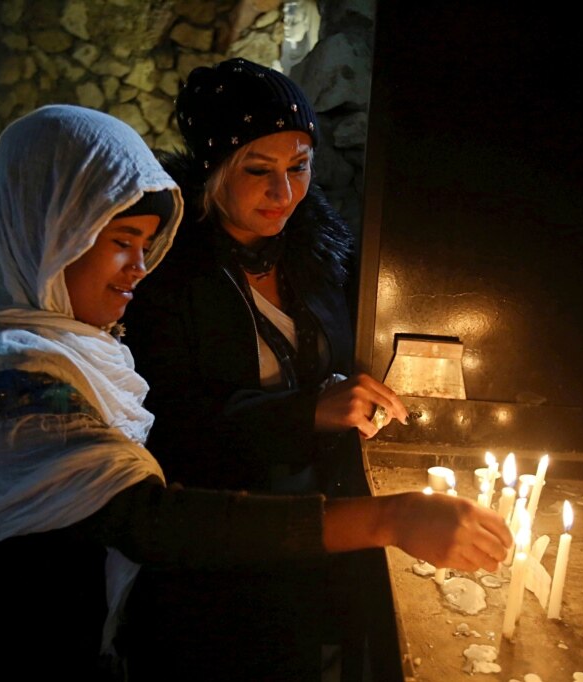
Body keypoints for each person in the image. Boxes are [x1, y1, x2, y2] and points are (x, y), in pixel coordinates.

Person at [0, 104, 512, 681]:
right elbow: (145, 519)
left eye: (147, 245)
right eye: (122, 243)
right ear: (51, 233)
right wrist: (386, 519)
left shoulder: (76, 346)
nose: (139, 270)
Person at [117, 58, 410, 680]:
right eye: (258, 171)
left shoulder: (322, 257)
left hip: (314, 536)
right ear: (213, 170)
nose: (284, 195)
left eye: (298, 168)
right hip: (213, 557)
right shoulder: (165, 274)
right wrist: (309, 412)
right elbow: (170, 431)